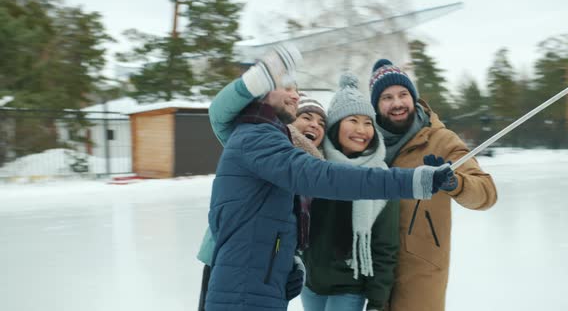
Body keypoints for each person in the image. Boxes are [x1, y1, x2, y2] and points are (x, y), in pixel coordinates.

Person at [203, 45, 454, 311]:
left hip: (260, 280)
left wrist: (289, 258)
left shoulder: (268, 139)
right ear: (262, 91)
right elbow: (326, 177)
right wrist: (411, 181)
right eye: (286, 87)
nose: (295, 96)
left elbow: (274, 215)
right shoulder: (257, 138)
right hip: (244, 288)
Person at [368, 59, 498, 311]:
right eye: (387, 97)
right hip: (369, 268)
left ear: (413, 98)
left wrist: (454, 183)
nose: (397, 103)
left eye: (403, 94)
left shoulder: (440, 140)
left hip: (421, 268)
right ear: (376, 104)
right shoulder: (365, 141)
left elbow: (486, 193)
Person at [196, 90, 327, 311]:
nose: (315, 125)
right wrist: (256, 80)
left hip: (271, 269)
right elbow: (218, 112)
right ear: (290, 117)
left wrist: (295, 262)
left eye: (321, 122)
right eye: (307, 117)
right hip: (227, 261)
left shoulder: (312, 169)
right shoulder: (255, 141)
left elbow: (294, 224)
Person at [300, 72, 399, 311]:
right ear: (335, 126)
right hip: (310, 285)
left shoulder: (380, 178)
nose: (362, 130)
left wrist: (377, 301)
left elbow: (385, 247)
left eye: (368, 123)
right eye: (352, 120)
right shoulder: (315, 167)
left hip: (349, 289)